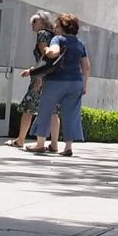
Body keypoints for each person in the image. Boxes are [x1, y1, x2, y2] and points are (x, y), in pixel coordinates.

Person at [30, 13, 87, 155]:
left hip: (57, 81)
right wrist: (85, 85)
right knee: (70, 114)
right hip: (76, 82)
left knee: (45, 110)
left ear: (63, 27)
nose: (55, 29)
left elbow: (54, 53)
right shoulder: (80, 43)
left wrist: (46, 50)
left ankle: (40, 143)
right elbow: (86, 66)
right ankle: (68, 147)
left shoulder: (58, 39)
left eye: (57, 26)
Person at [10, 12, 58, 148]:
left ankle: (20, 140)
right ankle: (54, 144)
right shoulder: (55, 36)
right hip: (53, 77)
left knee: (28, 108)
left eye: (35, 21)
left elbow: (45, 56)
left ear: (43, 21)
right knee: (54, 110)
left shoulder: (42, 34)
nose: (32, 24)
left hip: (42, 75)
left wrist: (38, 75)